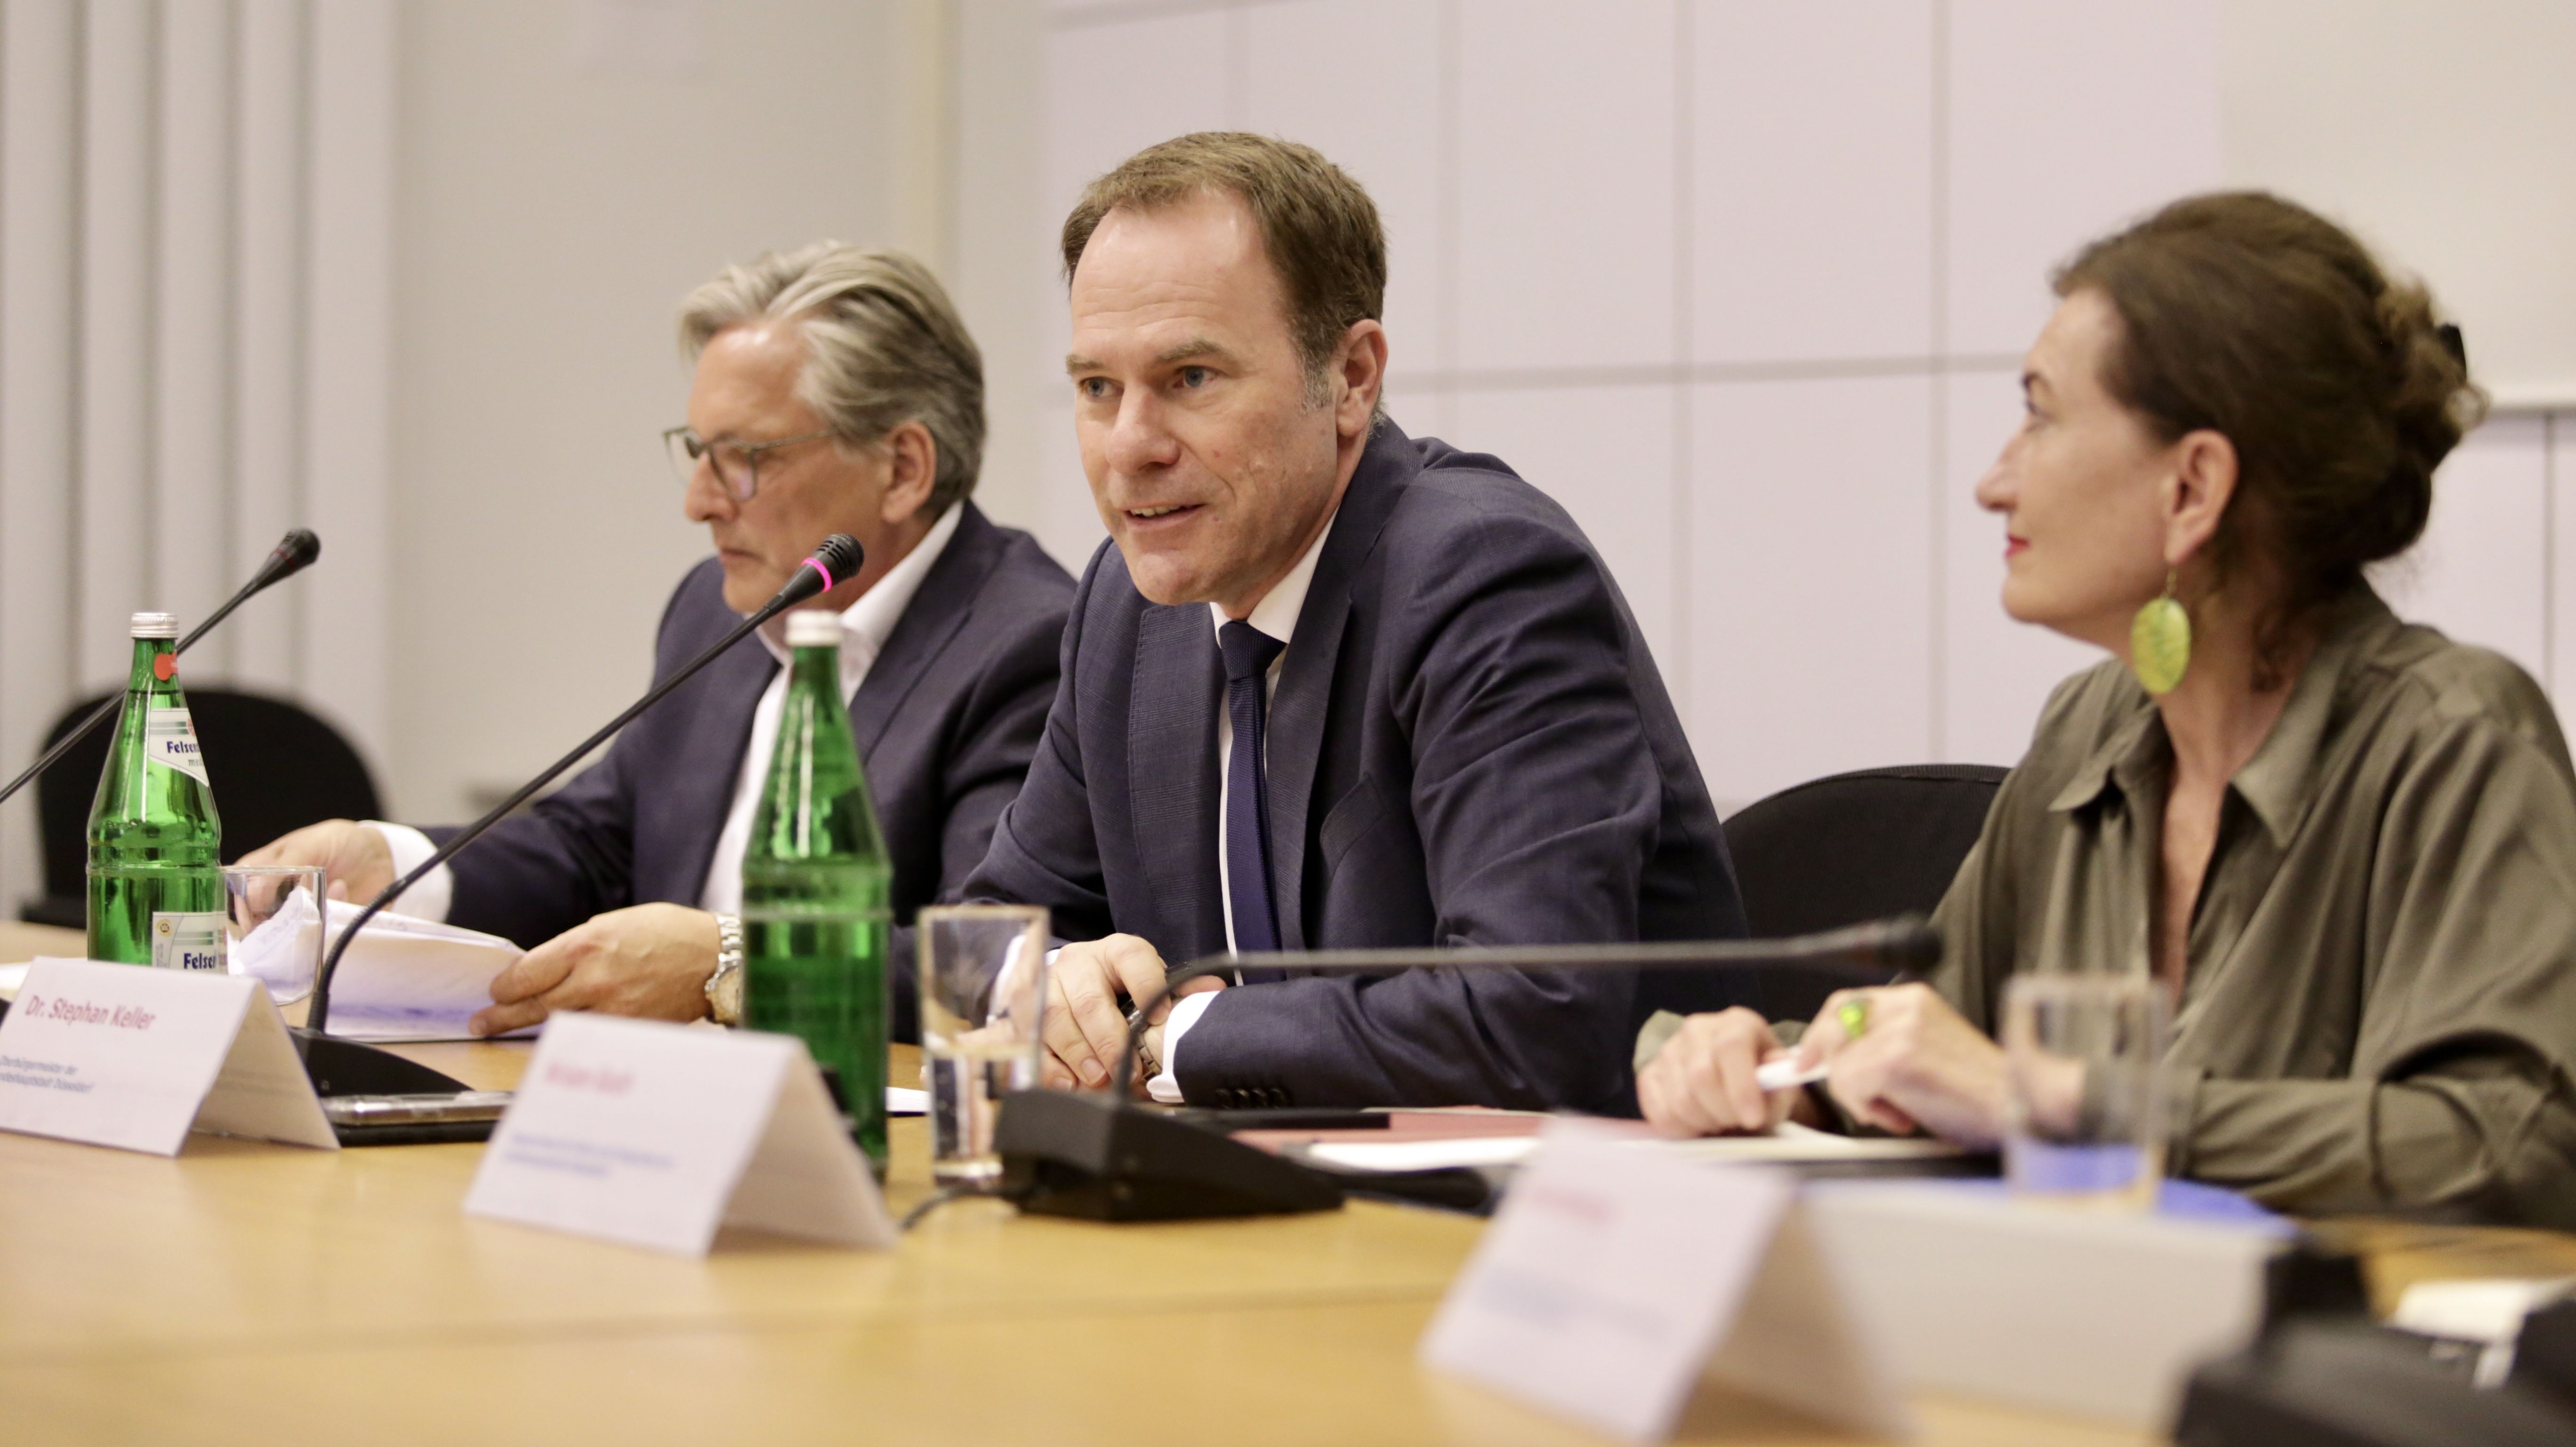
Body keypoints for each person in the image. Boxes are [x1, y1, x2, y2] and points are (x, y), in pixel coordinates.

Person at [1635, 192, 2576, 1227]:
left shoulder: (2457, 738)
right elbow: (1930, 1050)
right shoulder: (2091, 725)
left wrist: (2057, 1102)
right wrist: (1768, 1064)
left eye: (2039, 414)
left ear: (2193, 489)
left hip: (2344, 1369)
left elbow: (2509, 1144)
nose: (1996, 482)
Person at [966, 132, 1744, 1113]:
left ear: (1352, 377)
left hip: (1533, 1225)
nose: (1131, 447)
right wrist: (1061, 978)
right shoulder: (1128, 607)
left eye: (1191, 377)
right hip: (1258, 1205)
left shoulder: (1485, 579)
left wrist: (1183, 1037)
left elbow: (1531, 1014)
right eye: (1096, 388)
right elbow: (990, 927)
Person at [244, 244, 1074, 1039]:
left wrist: (727, 966)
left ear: (903, 469)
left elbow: (984, 958)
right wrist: (393, 863)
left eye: (745, 457)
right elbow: (597, 842)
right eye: (697, 454)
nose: (702, 502)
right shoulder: (719, 612)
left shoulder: (1027, 645)